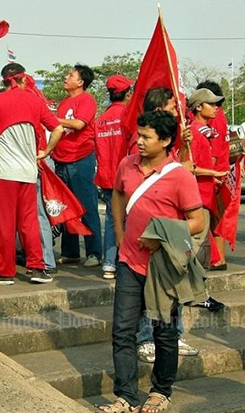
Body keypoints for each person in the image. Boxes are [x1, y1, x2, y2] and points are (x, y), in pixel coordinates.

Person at [100, 110, 205, 412]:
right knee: (122, 330)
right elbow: (118, 195)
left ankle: (161, 391)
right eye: (139, 135)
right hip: (129, 262)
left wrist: (161, 237)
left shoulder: (180, 176)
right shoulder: (127, 164)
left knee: (165, 331)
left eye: (146, 137)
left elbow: (197, 222)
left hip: (163, 268)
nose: (140, 142)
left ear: (166, 140)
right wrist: (119, 230)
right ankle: (126, 395)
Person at [0, 62, 64, 285]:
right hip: (28, 170)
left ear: (4, 80)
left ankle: (5, 272)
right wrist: (45, 152)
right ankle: (37, 268)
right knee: (29, 222)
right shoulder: (35, 101)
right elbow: (58, 128)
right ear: (23, 79)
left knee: (5, 222)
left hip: (3, 171)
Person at [53, 64, 102, 268]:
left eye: (70, 75)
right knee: (66, 208)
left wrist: (52, 119)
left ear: (80, 82)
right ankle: (71, 251)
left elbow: (79, 124)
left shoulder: (87, 100)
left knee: (87, 205)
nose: (66, 77)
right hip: (61, 159)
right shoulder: (65, 103)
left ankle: (94, 252)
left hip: (81, 158)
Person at [94, 75, 133, 280]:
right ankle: (123, 262)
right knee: (129, 220)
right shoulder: (129, 116)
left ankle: (109, 263)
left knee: (111, 220)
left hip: (106, 176)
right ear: (127, 93)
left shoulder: (100, 120)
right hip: (126, 177)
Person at [194, 81, 231, 271]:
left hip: (214, 176)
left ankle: (216, 259)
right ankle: (217, 259)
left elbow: (212, 153)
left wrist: (213, 172)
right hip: (219, 172)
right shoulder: (218, 119)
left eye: (217, 104)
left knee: (212, 220)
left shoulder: (210, 123)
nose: (216, 107)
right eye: (213, 103)